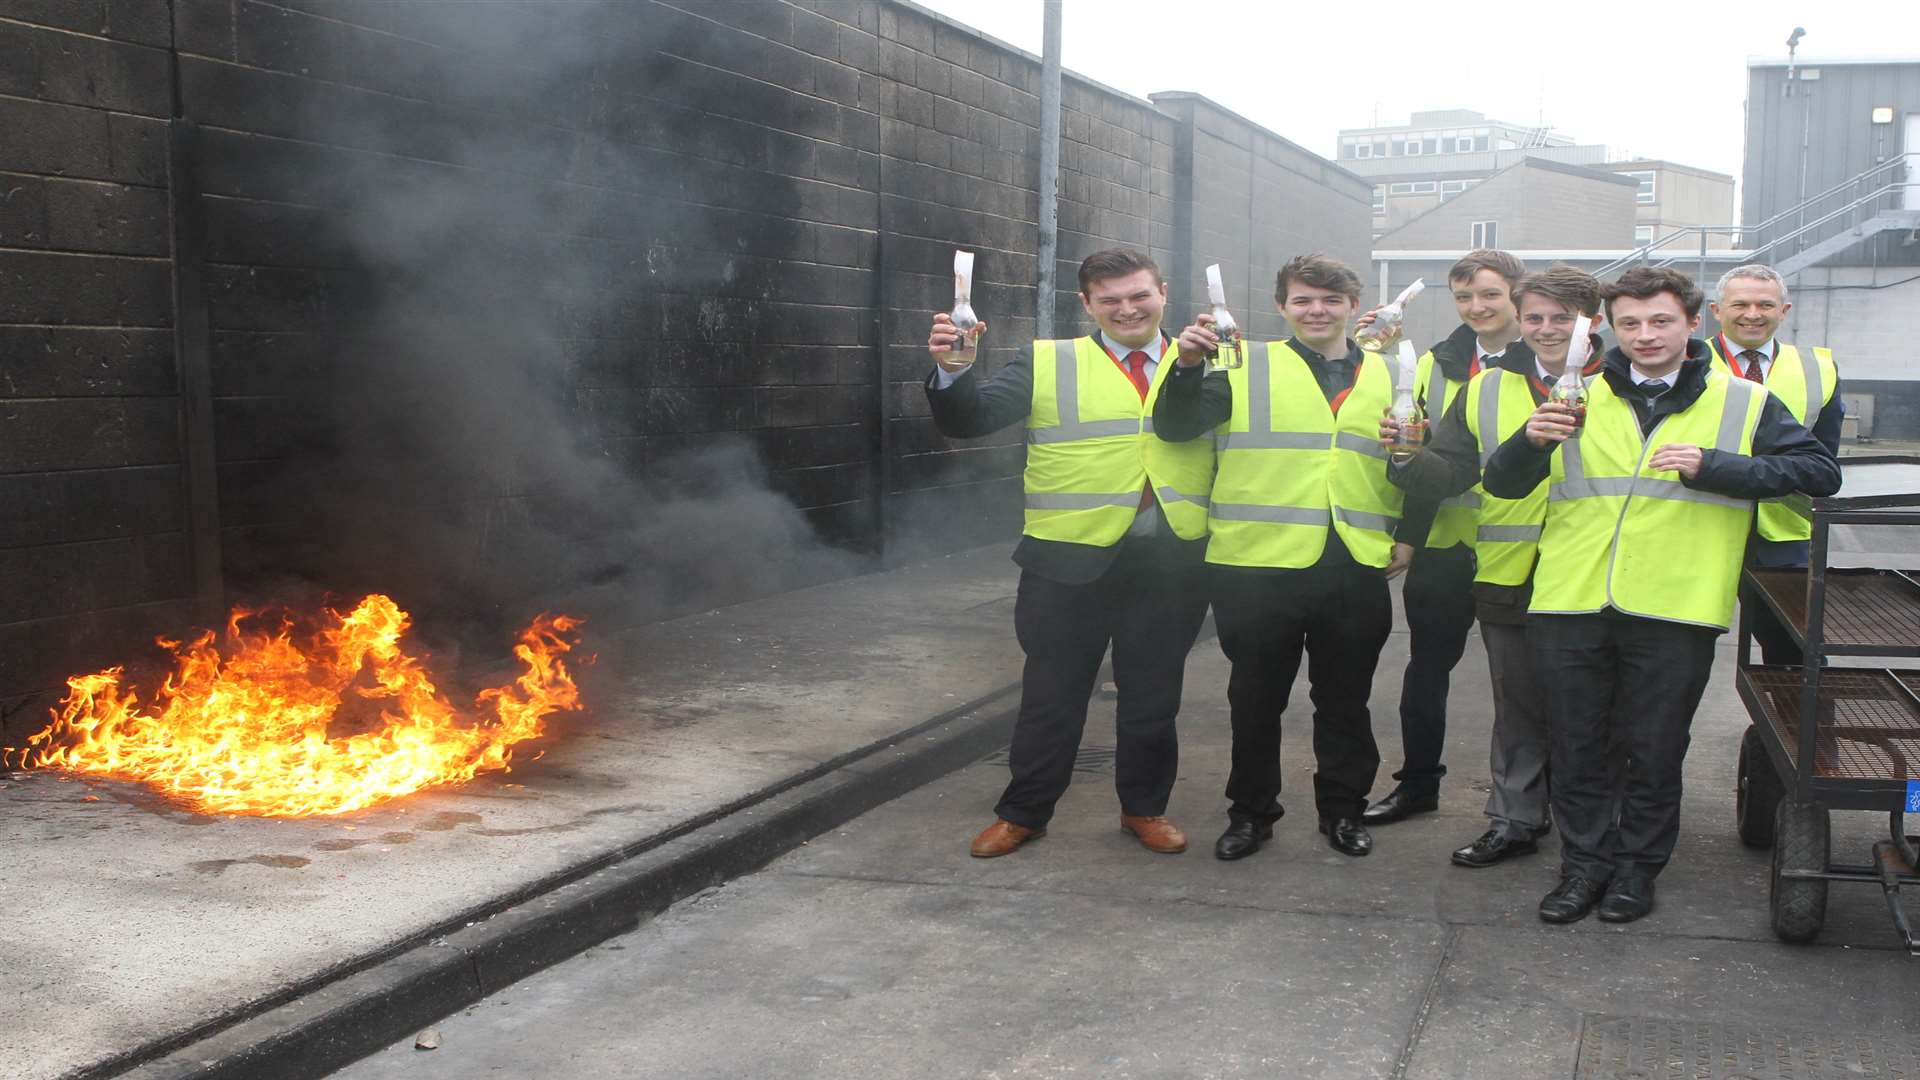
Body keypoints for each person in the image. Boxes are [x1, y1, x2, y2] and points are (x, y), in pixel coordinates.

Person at [1482, 266, 1840, 924]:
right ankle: (1583, 867)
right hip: (1569, 601)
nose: (1645, 335)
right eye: (1630, 324)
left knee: (1653, 749)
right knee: (1576, 746)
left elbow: (1820, 472)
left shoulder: (1743, 402)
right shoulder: (1578, 394)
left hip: (1676, 606)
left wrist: (1718, 466)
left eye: (1660, 321)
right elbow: (1502, 484)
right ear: (1610, 329)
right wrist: (1528, 441)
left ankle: (1636, 874)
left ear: (1692, 323)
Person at [926, 248, 1215, 859]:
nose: (1126, 309)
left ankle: (1144, 809)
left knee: (1153, 697)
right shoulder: (1046, 359)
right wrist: (955, 371)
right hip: (1066, 562)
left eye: (1138, 295)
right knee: (1051, 697)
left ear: (1163, 292)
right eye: (1108, 299)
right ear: (1086, 304)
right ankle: (1024, 812)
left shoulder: (1207, 361)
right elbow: (971, 420)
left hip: (1169, 562)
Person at [1155, 253, 1420, 862]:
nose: (1317, 311)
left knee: (1346, 702)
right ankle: (1251, 814)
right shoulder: (1240, 361)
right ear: (1281, 307)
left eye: (1330, 300)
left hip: (1353, 562)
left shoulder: (1390, 371)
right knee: (1255, 701)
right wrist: (1187, 364)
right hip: (1255, 566)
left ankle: (1344, 811)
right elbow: (1176, 428)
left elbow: (1410, 460)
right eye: (1302, 300)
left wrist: (1410, 531)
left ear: (1355, 307)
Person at [1382, 265, 1606, 867]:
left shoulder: (1625, 385)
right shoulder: (1486, 387)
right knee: (1520, 706)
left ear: (1594, 322)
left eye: (1564, 318)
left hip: (1601, 576)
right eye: (1535, 317)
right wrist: (1406, 456)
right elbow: (1453, 470)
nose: (1547, 328)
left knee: (1595, 708)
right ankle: (1515, 818)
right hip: (1511, 569)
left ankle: (1595, 825)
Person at [1364, 250, 1527, 827]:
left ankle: (1526, 800)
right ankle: (1417, 785)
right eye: (1464, 297)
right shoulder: (1437, 363)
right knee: (1426, 669)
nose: (1477, 307)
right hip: (1445, 541)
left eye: (1489, 295)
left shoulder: (1547, 361)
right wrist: (1409, 536)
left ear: (1517, 295)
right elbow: (1422, 454)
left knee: (1523, 683)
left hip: (1522, 546)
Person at [1706, 263, 1844, 667]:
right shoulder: (1684, 363)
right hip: (1698, 525)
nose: (1753, 313)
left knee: (1794, 649)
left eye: (1765, 304)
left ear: (1784, 311)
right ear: (1717, 310)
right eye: (1741, 303)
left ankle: (1789, 731)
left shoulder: (1817, 368)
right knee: (1675, 646)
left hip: (1784, 533)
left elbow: (1822, 463)